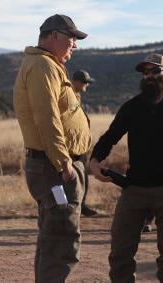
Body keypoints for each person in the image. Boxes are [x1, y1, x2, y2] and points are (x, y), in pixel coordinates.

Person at [89, 53, 163, 283]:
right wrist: (95, 159)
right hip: (134, 190)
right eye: (145, 73)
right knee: (120, 252)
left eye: (154, 72)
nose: (148, 77)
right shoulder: (132, 107)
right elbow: (110, 136)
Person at [13, 14, 92, 283]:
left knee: (54, 236)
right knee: (62, 238)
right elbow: (46, 118)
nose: (75, 45)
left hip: (54, 166)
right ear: (54, 35)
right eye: (72, 38)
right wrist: (64, 164)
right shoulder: (43, 67)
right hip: (54, 167)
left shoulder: (47, 65)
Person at [71, 69, 100, 217]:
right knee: (74, 179)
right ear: (76, 82)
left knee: (83, 177)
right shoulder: (68, 96)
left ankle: (81, 205)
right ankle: (74, 207)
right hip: (72, 148)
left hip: (80, 146)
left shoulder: (77, 96)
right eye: (85, 82)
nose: (87, 85)